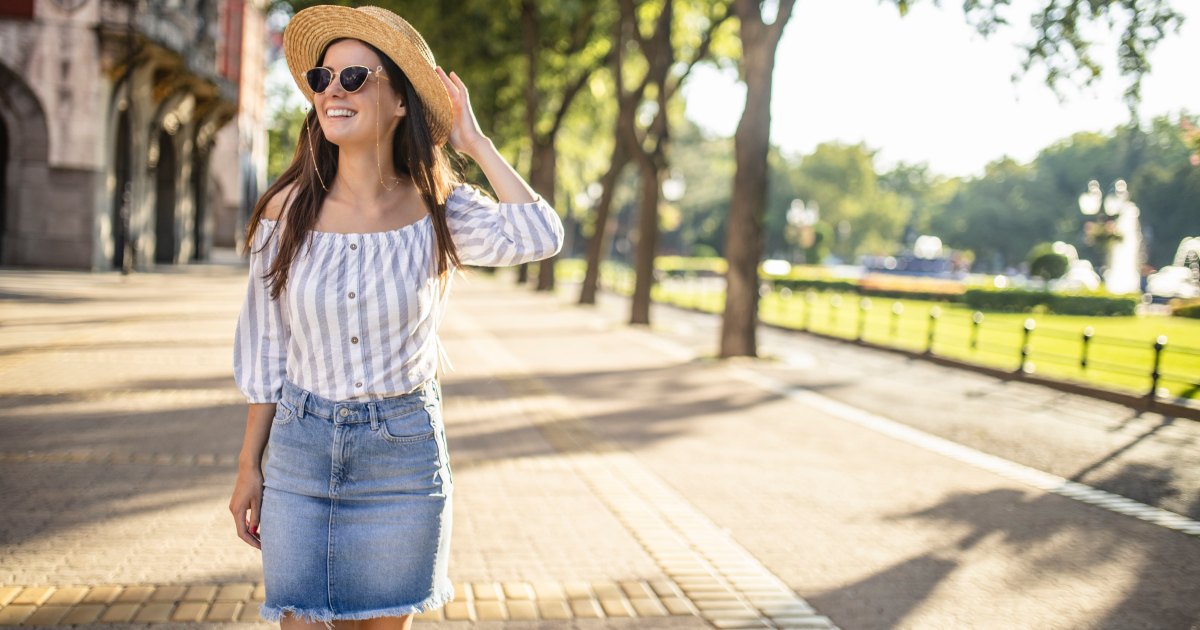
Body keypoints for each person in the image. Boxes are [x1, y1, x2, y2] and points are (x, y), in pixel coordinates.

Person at [227, 6, 564, 629]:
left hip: (402, 460)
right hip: (300, 453)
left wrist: (474, 141)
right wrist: (250, 465)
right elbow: (266, 351)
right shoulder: (285, 210)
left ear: (401, 101)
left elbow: (539, 234)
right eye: (323, 78)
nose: (333, 90)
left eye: (355, 79)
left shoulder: (439, 209)